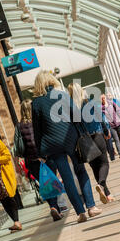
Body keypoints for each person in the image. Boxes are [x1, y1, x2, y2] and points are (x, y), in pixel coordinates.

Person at [31, 71, 102, 223]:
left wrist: (40, 151)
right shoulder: (62, 95)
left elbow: (37, 130)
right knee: (81, 171)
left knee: (67, 178)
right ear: (52, 81)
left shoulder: (36, 103)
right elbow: (76, 115)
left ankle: (80, 212)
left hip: (52, 144)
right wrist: (84, 133)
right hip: (71, 139)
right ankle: (91, 207)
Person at [13, 99, 63, 221]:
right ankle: (54, 207)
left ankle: (53, 207)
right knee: (52, 182)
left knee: (44, 184)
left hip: (31, 161)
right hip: (46, 157)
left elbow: (17, 147)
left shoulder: (18, 126)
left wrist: (17, 164)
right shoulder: (38, 122)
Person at [68, 83, 115, 204]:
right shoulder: (90, 102)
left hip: (85, 140)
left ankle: (107, 193)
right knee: (104, 163)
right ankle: (101, 184)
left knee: (94, 166)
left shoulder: (71, 109)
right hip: (97, 135)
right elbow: (100, 117)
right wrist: (106, 131)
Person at [102, 93, 120, 159]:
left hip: (118, 123)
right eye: (102, 98)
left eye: (104, 98)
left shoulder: (111, 103)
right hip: (111, 126)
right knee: (116, 139)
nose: (103, 99)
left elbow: (118, 110)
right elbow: (103, 118)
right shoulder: (101, 108)